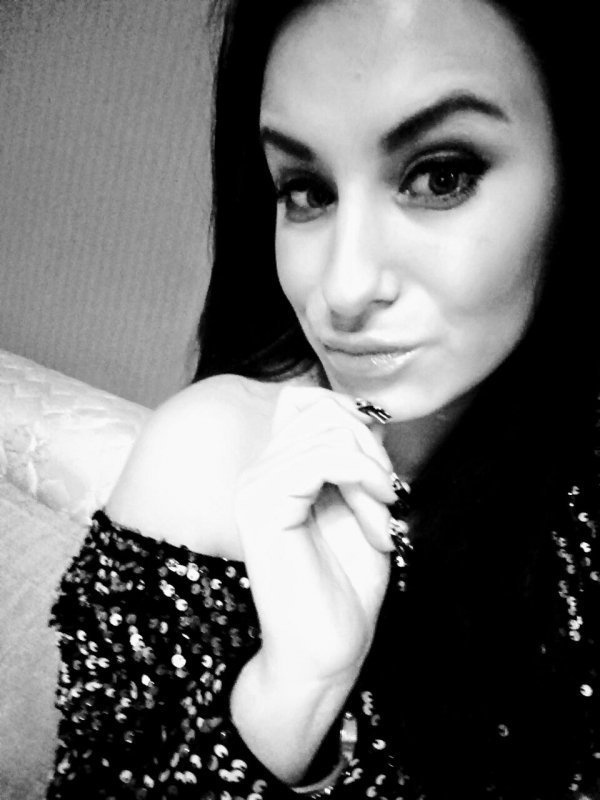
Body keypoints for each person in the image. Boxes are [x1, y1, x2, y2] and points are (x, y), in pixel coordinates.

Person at [47, 0, 600, 798]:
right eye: (306, 191)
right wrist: (292, 698)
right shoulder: (211, 458)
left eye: (440, 176)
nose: (342, 288)